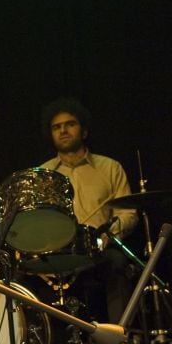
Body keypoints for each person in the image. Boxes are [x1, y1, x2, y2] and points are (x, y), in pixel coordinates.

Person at [38, 97, 138, 324]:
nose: (63, 130)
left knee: (117, 262)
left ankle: (118, 341)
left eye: (70, 124)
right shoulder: (43, 175)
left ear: (83, 131)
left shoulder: (110, 167)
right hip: (60, 254)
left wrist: (109, 234)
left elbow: (128, 213)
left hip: (99, 251)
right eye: (56, 127)